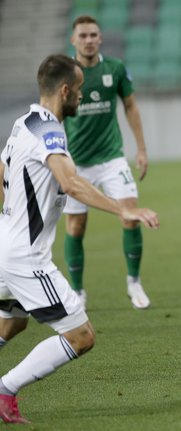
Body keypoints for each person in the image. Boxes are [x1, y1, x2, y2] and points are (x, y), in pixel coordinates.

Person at [0, 54, 159, 424]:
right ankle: (6, 389)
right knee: (81, 336)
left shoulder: (23, 123)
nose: (83, 97)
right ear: (65, 90)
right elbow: (70, 182)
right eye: (81, 90)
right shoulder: (50, 130)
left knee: (11, 323)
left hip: (6, 245)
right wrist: (124, 210)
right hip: (25, 256)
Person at [63, 15, 151, 309]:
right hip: (76, 163)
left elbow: (131, 106)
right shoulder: (65, 73)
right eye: (83, 35)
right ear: (73, 40)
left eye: (93, 35)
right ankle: (77, 292)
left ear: (100, 39)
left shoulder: (115, 68)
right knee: (75, 227)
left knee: (130, 216)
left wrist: (140, 149)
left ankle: (134, 283)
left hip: (112, 158)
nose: (88, 40)